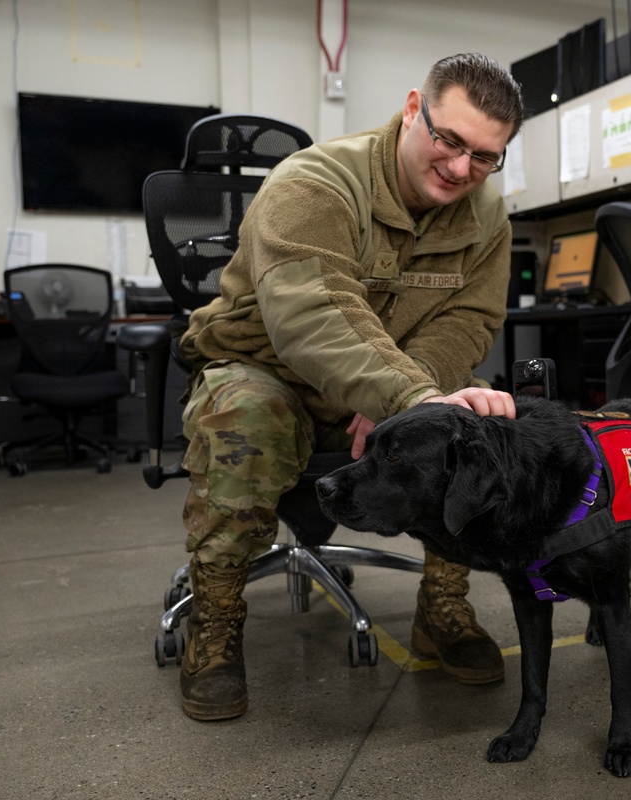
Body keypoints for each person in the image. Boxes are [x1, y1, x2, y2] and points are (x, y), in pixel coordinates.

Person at [175, 53, 525, 721]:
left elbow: (469, 319)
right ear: (413, 108)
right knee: (245, 420)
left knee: (479, 427)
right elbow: (312, 312)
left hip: (386, 382)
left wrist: (407, 396)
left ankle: (443, 605)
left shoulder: (486, 218)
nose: (460, 169)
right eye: (449, 140)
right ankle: (215, 624)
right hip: (269, 370)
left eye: (485, 156)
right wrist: (405, 400)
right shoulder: (315, 182)